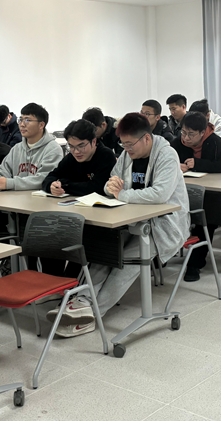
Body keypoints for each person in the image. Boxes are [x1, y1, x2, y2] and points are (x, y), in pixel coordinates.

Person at [47, 113, 189, 338]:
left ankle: (92, 313)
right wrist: (111, 188)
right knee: (106, 251)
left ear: (146, 138)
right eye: (123, 144)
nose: (126, 149)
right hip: (131, 218)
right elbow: (109, 185)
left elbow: (160, 194)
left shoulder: (167, 155)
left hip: (163, 224)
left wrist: (121, 194)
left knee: (129, 262)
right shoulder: (127, 154)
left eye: (130, 144)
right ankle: (81, 301)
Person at [171, 111, 221, 281]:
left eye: (191, 134)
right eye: (183, 132)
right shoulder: (176, 143)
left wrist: (198, 164)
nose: (186, 138)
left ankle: (195, 263)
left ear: (202, 132)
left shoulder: (215, 143)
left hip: (210, 195)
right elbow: (165, 162)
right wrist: (176, 166)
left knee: (204, 218)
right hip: (181, 192)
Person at [0, 103, 63, 190]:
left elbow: (44, 179)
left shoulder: (53, 149)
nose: (22, 124)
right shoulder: (17, 148)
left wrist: (11, 183)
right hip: (17, 197)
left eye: (27, 120)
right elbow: (3, 169)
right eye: (21, 120)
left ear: (41, 125)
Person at [42, 119, 116, 197]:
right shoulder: (71, 157)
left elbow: (97, 188)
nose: (76, 151)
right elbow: (50, 177)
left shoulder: (106, 156)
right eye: (71, 146)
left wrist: (64, 184)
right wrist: (51, 186)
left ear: (94, 142)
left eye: (81, 146)